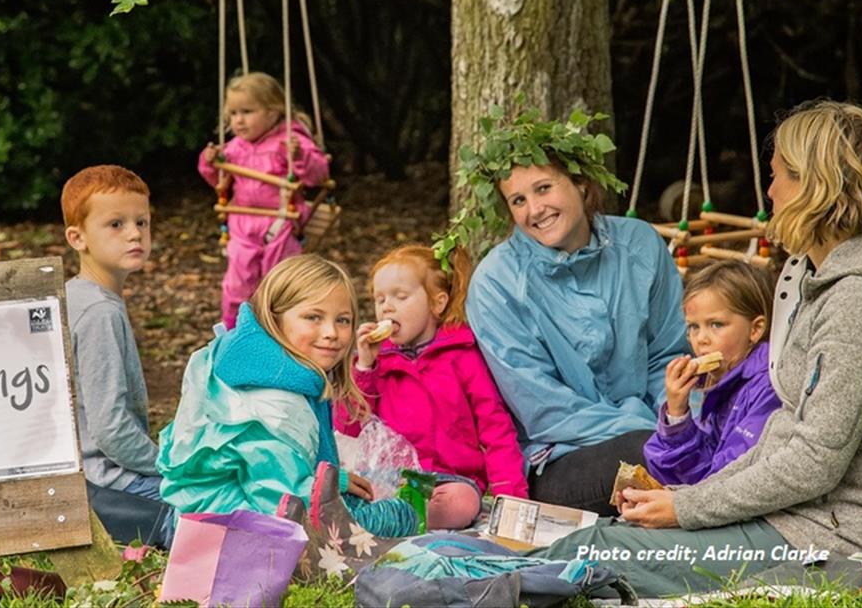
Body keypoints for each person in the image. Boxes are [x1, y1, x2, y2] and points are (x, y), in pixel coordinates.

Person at [532, 100, 862, 599]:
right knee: (606, 542)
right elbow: (787, 436)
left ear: (816, 187)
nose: (768, 191)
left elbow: (814, 461)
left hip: (844, 534)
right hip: (807, 518)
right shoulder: (827, 284)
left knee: (602, 552)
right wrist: (690, 497)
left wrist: (686, 509)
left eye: (778, 177)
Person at [465, 157, 688, 516]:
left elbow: (669, 352)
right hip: (563, 456)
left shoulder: (640, 244)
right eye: (518, 200)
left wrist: (679, 422)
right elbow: (545, 409)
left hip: (654, 427)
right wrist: (657, 432)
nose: (535, 209)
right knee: (648, 453)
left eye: (544, 188)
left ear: (581, 185)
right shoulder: (496, 283)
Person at [158, 254, 419, 537]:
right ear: (275, 318)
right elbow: (279, 502)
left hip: (211, 514)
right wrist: (331, 494)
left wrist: (337, 482)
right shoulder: (276, 403)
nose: (331, 333)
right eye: (313, 317)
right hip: (227, 531)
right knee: (399, 516)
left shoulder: (258, 363)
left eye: (342, 320)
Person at [336, 244, 528, 529]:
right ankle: (385, 517)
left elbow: (495, 428)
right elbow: (350, 428)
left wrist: (511, 496)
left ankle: (386, 521)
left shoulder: (463, 357)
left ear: (437, 303)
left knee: (460, 504)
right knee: (355, 490)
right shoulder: (378, 361)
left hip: (448, 479)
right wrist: (364, 367)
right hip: (389, 476)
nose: (386, 306)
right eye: (379, 299)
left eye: (400, 297)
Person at [62, 165, 174, 547]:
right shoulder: (99, 314)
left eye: (141, 222)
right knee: (229, 507)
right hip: (109, 485)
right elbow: (111, 429)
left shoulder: (76, 295)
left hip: (91, 474)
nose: (134, 234)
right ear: (78, 238)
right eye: (116, 224)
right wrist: (171, 466)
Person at [198, 72, 330, 329]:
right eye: (233, 113)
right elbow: (218, 180)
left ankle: (284, 332)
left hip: (280, 222)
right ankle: (234, 332)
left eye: (247, 111)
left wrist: (300, 155)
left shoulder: (289, 142)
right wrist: (209, 162)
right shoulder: (234, 148)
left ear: (272, 112)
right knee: (237, 284)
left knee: (280, 282)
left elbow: (318, 175)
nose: (238, 120)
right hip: (242, 224)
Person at [642, 260, 781, 485]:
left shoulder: (768, 386)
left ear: (755, 329)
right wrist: (676, 414)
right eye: (693, 327)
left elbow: (724, 479)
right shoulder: (722, 382)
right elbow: (689, 471)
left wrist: (674, 502)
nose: (701, 339)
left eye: (716, 324)